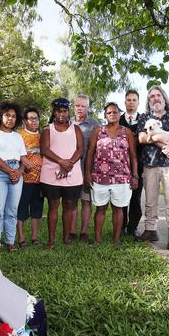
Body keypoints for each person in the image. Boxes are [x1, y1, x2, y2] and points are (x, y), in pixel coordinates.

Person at [136, 86, 169, 250]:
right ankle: (150, 230)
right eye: (151, 96)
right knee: (150, 200)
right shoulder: (145, 116)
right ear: (148, 100)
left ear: (164, 97)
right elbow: (141, 137)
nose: (155, 98)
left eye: (158, 95)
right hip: (150, 164)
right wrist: (160, 142)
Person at [85, 102, 138, 245]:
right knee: (100, 208)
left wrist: (135, 175)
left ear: (119, 114)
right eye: (109, 113)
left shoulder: (126, 132)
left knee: (118, 209)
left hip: (122, 177)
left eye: (115, 112)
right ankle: (97, 240)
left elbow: (133, 155)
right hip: (100, 177)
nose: (112, 115)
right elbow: (90, 153)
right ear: (105, 116)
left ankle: (116, 239)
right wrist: (87, 173)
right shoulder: (98, 131)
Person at [0, 101, 29, 251]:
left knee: (12, 210)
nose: (10, 119)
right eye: (7, 115)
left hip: (16, 173)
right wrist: (11, 171)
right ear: (0, 116)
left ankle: (10, 241)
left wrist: (19, 172)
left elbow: (24, 158)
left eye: (13, 116)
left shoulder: (17, 136)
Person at [40, 98, 83, 249]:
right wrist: (61, 162)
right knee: (53, 205)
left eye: (64, 111)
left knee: (69, 205)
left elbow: (80, 149)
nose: (61, 114)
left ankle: (66, 239)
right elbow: (44, 149)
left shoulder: (75, 129)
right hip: (51, 174)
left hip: (72, 173)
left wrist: (69, 163)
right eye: (58, 111)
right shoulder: (47, 129)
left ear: (68, 112)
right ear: (54, 112)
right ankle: (51, 241)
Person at [70, 94, 100, 243]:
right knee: (72, 201)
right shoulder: (68, 123)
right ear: (73, 106)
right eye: (77, 105)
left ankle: (83, 232)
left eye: (83, 106)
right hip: (70, 170)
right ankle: (72, 231)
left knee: (86, 201)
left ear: (88, 108)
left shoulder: (94, 124)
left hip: (87, 170)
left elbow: (97, 150)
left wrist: (91, 172)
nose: (80, 108)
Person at [16, 107, 44, 247]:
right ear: (25, 121)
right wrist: (23, 161)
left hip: (40, 179)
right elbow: (13, 153)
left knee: (37, 208)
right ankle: (21, 238)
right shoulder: (19, 134)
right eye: (31, 118)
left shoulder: (43, 135)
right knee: (21, 207)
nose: (34, 121)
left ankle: (34, 237)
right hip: (24, 178)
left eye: (36, 118)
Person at [118, 89, 144, 238]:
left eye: (134, 100)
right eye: (129, 100)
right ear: (125, 102)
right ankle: (120, 227)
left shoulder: (144, 120)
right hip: (119, 166)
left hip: (138, 166)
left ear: (138, 103)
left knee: (135, 198)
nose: (131, 103)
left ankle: (132, 227)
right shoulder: (118, 121)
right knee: (121, 198)